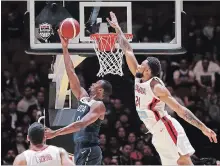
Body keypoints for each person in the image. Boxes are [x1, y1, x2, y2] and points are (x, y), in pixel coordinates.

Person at [107, 11, 218, 165]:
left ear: (148, 71)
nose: (140, 63)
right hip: (156, 132)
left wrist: (203, 127)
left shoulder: (157, 87)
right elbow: (127, 50)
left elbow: (180, 110)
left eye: (143, 63)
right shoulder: (138, 75)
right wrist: (117, 28)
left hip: (165, 126)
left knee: (184, 161)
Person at [45, 29, 112, 165]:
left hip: (89, 149)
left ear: (100, 90)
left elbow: (80, 124)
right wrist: (65, 48)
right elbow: (70, 72)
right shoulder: (83, 97)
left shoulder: (99, 106)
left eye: (95, 83)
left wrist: (55, 133)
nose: (92, 83)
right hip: (80, 149)